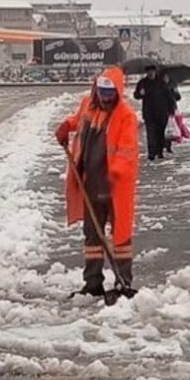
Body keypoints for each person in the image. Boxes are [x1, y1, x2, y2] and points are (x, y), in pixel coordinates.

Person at [55, 67, 139, 296]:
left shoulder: (126, 117)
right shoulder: (88, 106)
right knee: (92, 236)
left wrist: (117, 171)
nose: (105, 98)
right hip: (90, 183)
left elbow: (128, 150)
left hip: (115, 187)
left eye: (110, 94)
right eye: (102, 92)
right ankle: (93, 281)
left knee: (120, 236)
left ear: (118, 94)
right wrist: (66, 126)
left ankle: (124, 281)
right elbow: (78, 120)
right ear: (96, 90)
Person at [132, 65, 176, 161]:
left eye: (152, 71)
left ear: (155, 72)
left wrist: (171, 109)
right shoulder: (142, 83)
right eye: (149, 72)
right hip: (149, 112)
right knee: (151, 133)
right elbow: (136, 95)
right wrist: (140, 93)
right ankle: (151, 153)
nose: (151, 73)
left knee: (160, 133)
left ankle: (159, 151)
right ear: (147, 73)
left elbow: (168, 96)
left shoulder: (161, 82)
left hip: (162, 112)